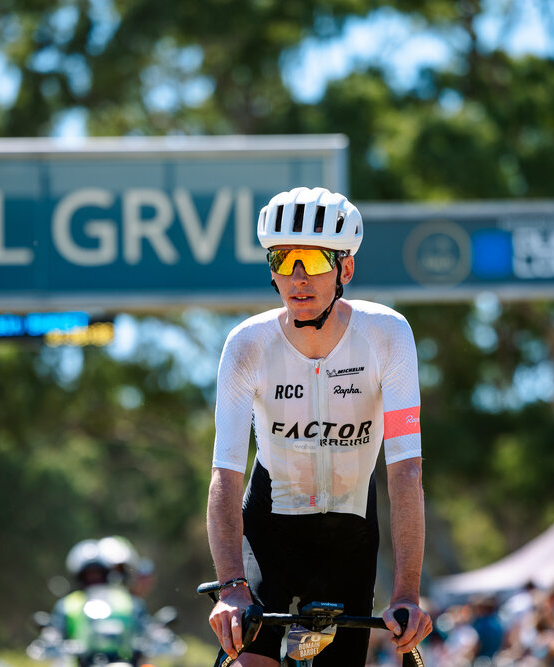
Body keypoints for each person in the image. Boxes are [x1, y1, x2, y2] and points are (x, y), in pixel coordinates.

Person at [205, 186, 432, 665]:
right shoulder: (247, 343)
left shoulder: (387, 335)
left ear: (345, 269)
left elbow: (405, 470)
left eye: (312, 260)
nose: (298, 277)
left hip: (348, 535)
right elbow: (225, 473)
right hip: (269, 528)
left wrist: (407, 594)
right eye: (283, 260)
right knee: (250, 661)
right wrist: (231, 588)